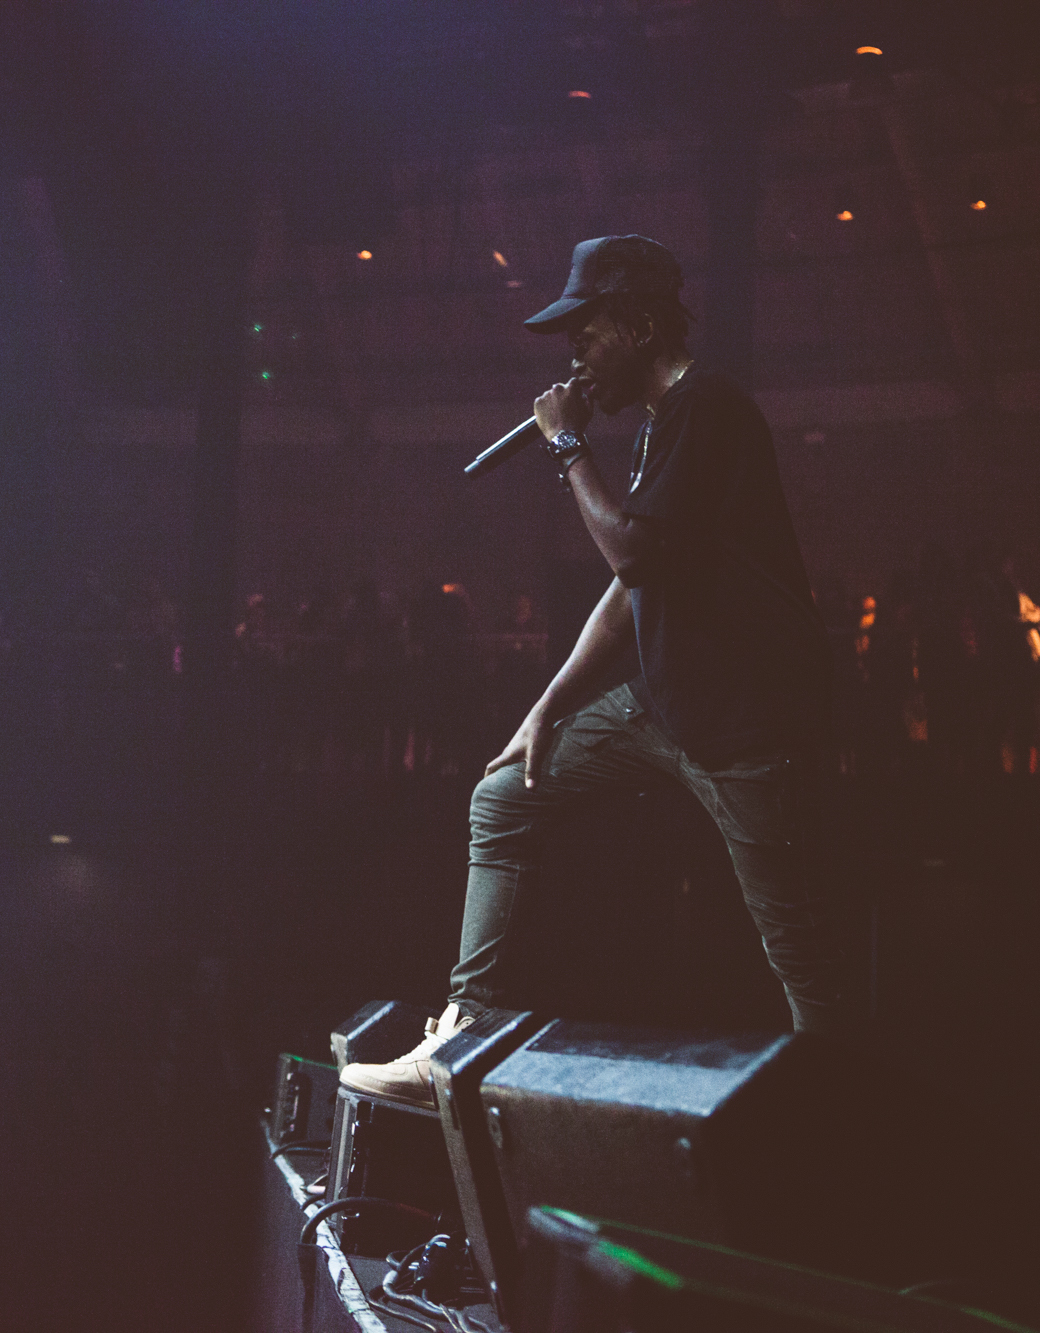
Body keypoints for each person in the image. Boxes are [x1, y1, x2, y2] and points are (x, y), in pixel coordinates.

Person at [343, 235, 850, 1106]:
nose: (573, 356)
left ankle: (842, 1124)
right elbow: (627, 592)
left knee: (803, 960)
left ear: (642, 325)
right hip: (666, 707)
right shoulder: (663, 427)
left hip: (748, 731)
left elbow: (634, 552)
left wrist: (569, 447)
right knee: (501, 796)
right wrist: (549, 707)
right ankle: (458, 1044)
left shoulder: (710, 408)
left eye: (587, 335)